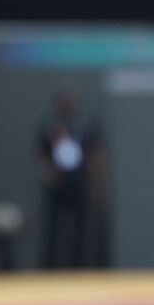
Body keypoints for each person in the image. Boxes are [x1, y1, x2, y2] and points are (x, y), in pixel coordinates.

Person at [36, 90, 107, 269]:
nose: (68, 103)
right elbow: (40, 155)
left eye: (72, 100)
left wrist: (97, 186)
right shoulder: (51, 126)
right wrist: (49, 174)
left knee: (82, 229)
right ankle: (51, 267)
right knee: (54, 229)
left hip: (79, 182)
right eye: (65, 100)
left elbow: (94, 156)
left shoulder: (85, 124)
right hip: (58, 183)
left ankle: (81, 266)